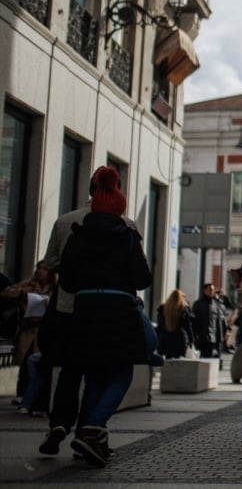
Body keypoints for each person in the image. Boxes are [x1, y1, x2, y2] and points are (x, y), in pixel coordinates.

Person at [38, 166, 140, 459]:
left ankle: (59, 423)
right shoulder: (127, 226)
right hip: (113, 311)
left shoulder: (65, 221)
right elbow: (139, 274)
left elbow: (50, 263)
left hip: (69, 306)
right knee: (101, 370)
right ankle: (89, 429)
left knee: (70, 370)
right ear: (117, 189)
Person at [2, 260, 53, 413]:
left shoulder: (55, 286)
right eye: (39, 268)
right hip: (29, 329)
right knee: (26, 360)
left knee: (37, 363)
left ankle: (31, 398)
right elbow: (6, 293)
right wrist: (22, 291)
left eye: (45, 269)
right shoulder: (29, 283)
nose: (41, 271)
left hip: (44, 330)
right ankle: (23, 393)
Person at [156, 289, 193, 359]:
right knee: (179, 363)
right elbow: (188, 326)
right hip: (180, 338)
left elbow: (160, 325)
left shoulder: (163, 308)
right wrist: (191, 340)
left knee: (166, 362)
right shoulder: (184, 309)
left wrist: (157, 338)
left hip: (165, 337)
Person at [191, 284, 224, 359]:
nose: (212, 291)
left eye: (213, 290)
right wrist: (194, 336)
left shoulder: (216, 304)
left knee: (211, 359)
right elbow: (193, 321)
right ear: (204, 291)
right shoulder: (198, 304)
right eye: (210, 290)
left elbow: (219, 322)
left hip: (213, 338)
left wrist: (220, 337)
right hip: (201, 337)